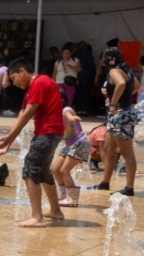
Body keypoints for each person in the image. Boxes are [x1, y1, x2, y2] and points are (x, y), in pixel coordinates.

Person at [0, 59, 66, 227]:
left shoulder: (40, 82)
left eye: (14, 79)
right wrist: (8, 140)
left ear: (22, 71)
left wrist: (10, 138)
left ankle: (37, 217)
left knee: (30, 168)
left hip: (48, 132)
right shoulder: (31, 89)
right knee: (42, 172)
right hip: (48, 132)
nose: (14, 83)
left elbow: (29, 113)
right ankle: (56, 211)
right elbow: (22, 112)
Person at [93, 46, 138, 196]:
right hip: (120, 114)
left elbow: (121, 84)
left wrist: (114, 103)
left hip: (119, 115)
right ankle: (105, 182)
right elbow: (136, 86)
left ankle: (129, 188)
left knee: (127, 152)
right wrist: (124, 98)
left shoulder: (114, 71)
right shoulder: (127, 70)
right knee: (108, 149)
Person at [53, 107, 89, 207]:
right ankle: (65, 195)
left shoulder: (65, 110)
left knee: (64, 171)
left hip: (79, 143)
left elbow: (68, 114)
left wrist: (72, 118)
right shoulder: (55, 115)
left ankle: (72, 199)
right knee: (55, 169)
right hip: (70, 145)